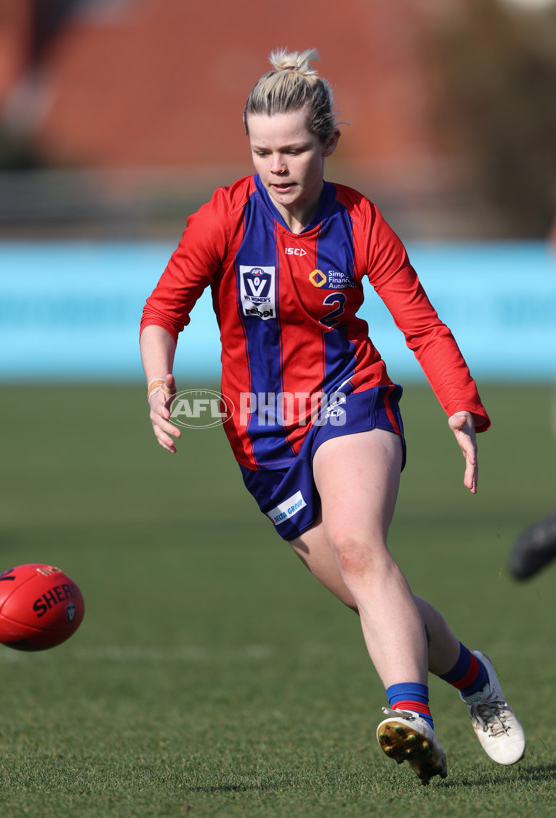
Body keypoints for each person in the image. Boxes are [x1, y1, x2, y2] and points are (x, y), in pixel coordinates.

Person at [140, 48, 525, 785]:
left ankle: (408, 713)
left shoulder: (357, 219)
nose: (276, 166)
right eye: (262, 151)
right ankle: (473, 676)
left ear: (328, 144)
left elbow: (421, 325)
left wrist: (460, 408)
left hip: (351, 398)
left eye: (293, 149)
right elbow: (163, 311)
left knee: (358, 545)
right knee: (373, 592)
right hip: (259, 433)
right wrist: (159, 382)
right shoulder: (224, 217)